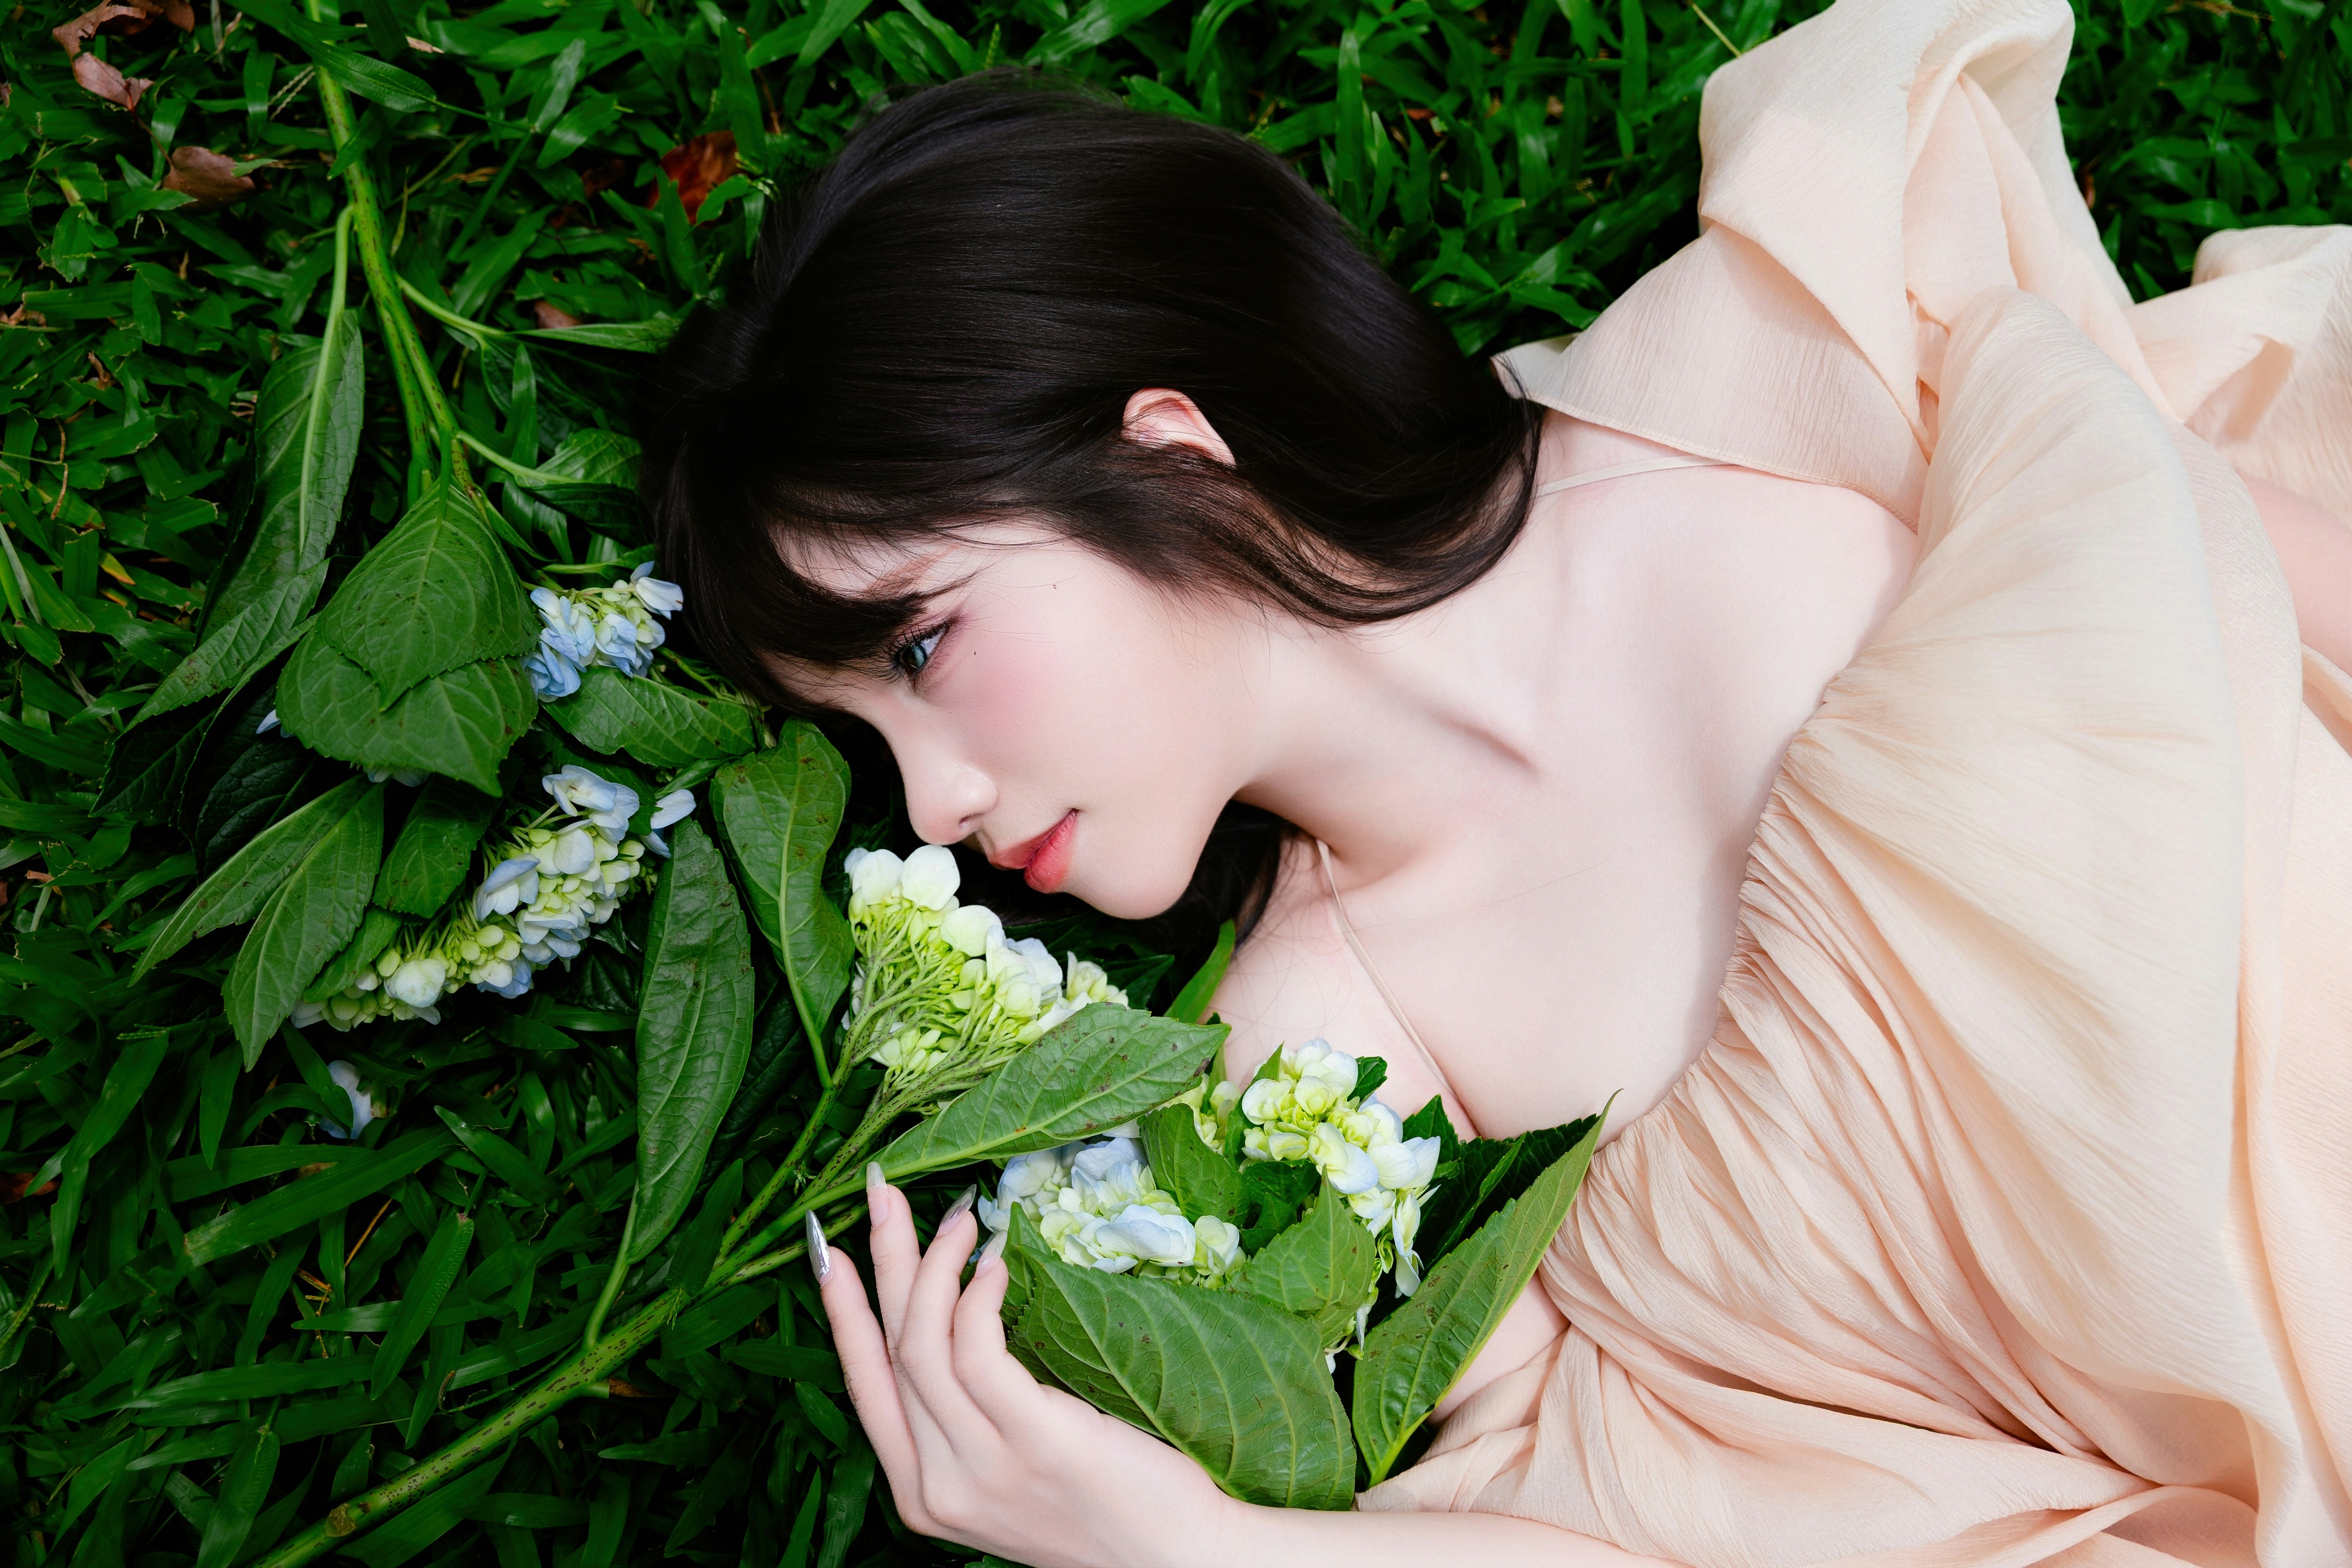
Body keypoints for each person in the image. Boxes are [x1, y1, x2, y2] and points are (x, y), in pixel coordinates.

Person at [643, 0, 2352, 1559]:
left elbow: (2263, 573)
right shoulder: (1321, 1067)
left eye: (923, 646)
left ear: (1170, 447)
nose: (931, 809)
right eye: (871, 735)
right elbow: (1619, 1534)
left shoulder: (1759, 385)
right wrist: (1206, 1552)